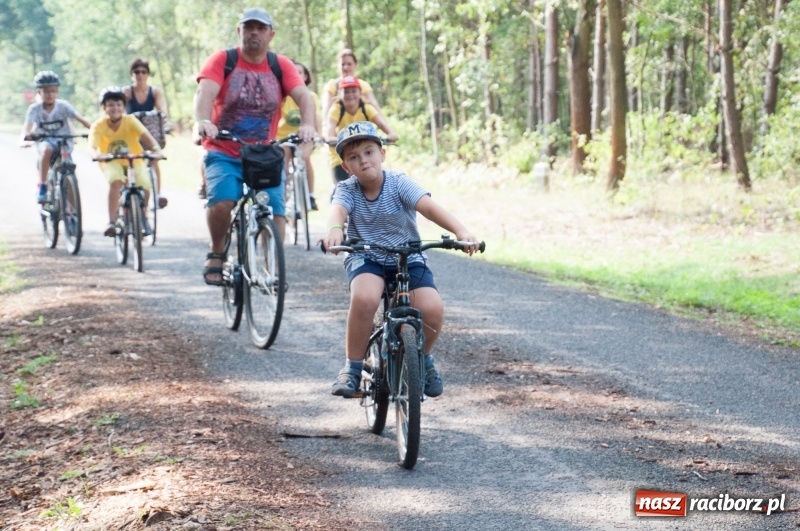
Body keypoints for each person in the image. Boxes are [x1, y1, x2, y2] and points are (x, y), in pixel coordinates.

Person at [320, 121, 479, 399]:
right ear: (346, 167)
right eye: (354, 158)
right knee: (366, 298)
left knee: (431, 309)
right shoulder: (347, 190)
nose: (363, 161)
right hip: (366, 257)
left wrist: (461, 231)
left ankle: (423, 359)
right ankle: (353, 367)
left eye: (369, 152)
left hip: (407, 257)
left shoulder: (399, 183)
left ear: (383, 153)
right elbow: (337, 213)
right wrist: (335, 231)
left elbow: (429, 208)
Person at [195, 7, 316, 286]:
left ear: (270, 35)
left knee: (275, 209)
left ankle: (272, 265)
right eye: (248, 27)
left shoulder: (280, 64)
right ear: (239, 31)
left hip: (263, 152)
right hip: (223, 148)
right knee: (224, 199)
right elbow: (205, 92)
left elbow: (304, 97)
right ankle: (216, 252)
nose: (254, 33)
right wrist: (203, 120)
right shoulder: (223, 60)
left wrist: (307, 125)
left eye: (260, 28)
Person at [89, 87, 162, 238]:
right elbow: (92, 146)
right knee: (115, 182)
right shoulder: (98, 125)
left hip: (133, 159)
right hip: (111, 161)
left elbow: (146, 136)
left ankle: (143, 214)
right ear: (104, 108)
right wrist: (97, 155)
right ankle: (111, 222)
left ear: (124, 107)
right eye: (110, 105)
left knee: (145, 184)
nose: (115, 108)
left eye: (118, 104)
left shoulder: (130, 121)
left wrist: (156, 149)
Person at [20, 71, 92, 204]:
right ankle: (42, 186)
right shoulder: (34, 109)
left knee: (69, 170)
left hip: (64, 141)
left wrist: (94, 131)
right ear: (39, 92)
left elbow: (80, 119)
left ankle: (72, 210)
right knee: (46, 150)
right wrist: (25, 137)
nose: (50, 95)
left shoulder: (63, 106)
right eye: (46, 91)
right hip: (45, 141)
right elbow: (27, 127)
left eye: (53, 91)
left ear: (57, 91)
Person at [325, 76, 397, 186]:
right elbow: (329, 134)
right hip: (341, 158)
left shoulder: (366, 108)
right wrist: (334, 140)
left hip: (365, 155)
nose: (350, 95)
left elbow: (382, 123)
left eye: (353, 91)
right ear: (340, 93)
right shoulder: (336, 110)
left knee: (379, 182)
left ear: (360, 92)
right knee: (342, 188)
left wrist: (391, 133)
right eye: (346, 91)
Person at [123, 58, 169, 208]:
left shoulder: (154, 92)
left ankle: (158, 194)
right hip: (131, 134)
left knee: (154, 159)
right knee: (131, 161)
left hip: (149, 133)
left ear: (148, 74)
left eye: (143, 72)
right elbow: (120, 111)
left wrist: (166, 123)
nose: (140, 75)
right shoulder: (127, 92)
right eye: (136, 72)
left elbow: (162, 111)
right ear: (132, 74)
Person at [276, 60, 321, 211]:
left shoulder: (311, 96)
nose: (296, 75)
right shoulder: (282, 97)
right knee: (283, 157)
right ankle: (281, 191)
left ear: (306, 77)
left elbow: (317, 118)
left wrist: (318, 135)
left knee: (305, 157)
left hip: (304, 136)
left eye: (299, 72)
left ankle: (310, 194)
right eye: (293, 72)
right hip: (283, 137)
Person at [320, 49, 381, 123]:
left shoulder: (363, 85)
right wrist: (326, 127)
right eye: (343, 64)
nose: (345, 67)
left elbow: (374, 105)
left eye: (349, 64)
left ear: (355, 65)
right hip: (337, 131)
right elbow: (326, 108)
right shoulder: (332, 86)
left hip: (361, 129)